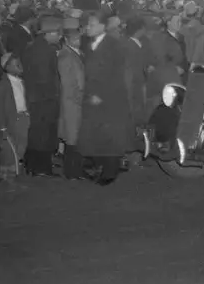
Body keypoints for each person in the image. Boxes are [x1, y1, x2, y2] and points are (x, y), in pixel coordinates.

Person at [77, 10, 130, 186]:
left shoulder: (114, 46)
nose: (87, 28)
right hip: (93, 97)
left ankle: (109, 172)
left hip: (110, 99)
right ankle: (99, 167)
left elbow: (117, 75)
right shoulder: (89, 44)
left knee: (110, 136)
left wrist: (102, 95)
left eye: (91, 24)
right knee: (97, 135)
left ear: (102, 26)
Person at [22, 16, 62, 177]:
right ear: (49, 33)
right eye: (58, 33)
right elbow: (46, 78)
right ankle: (42, 168)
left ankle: (32, 165)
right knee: (44, 135)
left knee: (35, 133)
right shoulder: (46, 51)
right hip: (44, 99)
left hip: (33, 97)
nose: (60, 36)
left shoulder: (31, 46)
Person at [57, 18, 85, 180]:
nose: (78, 40)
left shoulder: (73, 53)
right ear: (67, 39)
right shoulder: (66, 57)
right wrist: (80, 99)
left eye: (79, 37)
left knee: (74, 139)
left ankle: (75, 171)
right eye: (75, 38)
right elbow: (68, 85)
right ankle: (72, 172)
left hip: (74, 102)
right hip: (72, 104)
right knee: (72, 140)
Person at [0, 52, 28, 183]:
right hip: (11, 120)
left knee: (21, 145)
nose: (19, 66)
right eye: (16, 64)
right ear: (7, 67)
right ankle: (6, 174)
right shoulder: (3, 85)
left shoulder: (21, 81)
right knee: (9, 148)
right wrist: (2, 126)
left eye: (19, 63)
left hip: (23, 117)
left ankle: (15, 172)